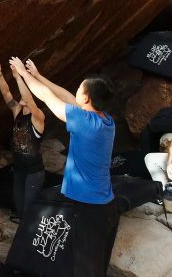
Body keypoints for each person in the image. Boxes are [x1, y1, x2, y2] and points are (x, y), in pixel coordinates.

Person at [9, 57, 119, 277]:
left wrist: (23, 73)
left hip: (89, 204)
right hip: (99, 200)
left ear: (86, 97)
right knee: (85, 256)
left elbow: (47, 97)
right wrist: (39, 76)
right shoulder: (105, 120)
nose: (75, 90)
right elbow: (67, 97)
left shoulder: (85, 122)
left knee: (85, 264)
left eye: (80, 87)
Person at [0, 55, 45, 219]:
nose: (22, 95)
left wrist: (19, 77)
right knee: (19, 205)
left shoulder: (37, 117)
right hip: (19, 169)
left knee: (29, 208)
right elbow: (6, 92)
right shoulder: (17, 112)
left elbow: (28, 98)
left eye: (26, 93)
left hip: (34, 172)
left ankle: (28, 236)